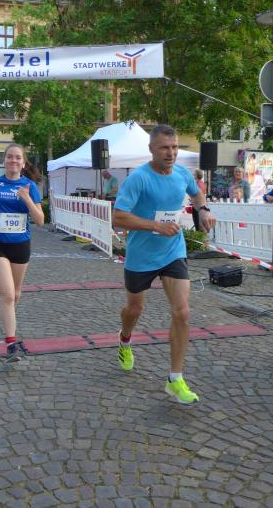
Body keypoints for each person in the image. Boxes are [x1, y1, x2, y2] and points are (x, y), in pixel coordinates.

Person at [112, 125, 216, 405]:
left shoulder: (182, 174)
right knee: (134, 309)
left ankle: (175, 378)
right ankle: (125, 338)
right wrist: (155, 225)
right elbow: (118, 218)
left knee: (182, 312)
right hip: (141, 256)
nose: (170, 153)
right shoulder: (138, 179)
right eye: (164, 148)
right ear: (151, 149)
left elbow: (197, 194)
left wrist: (203, 209)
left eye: (174, 147)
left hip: (173, 252)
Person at [0, 144, 44, 363]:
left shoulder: (29, 186)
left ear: (23, 163)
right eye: (9, 157)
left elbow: (40, 220)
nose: (13, 160)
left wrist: (27, 198)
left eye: (18, 157)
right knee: (7, 294)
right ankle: (11, 343)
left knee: (16, 293)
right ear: (4, 161)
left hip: (20, 244)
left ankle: (9, 321)